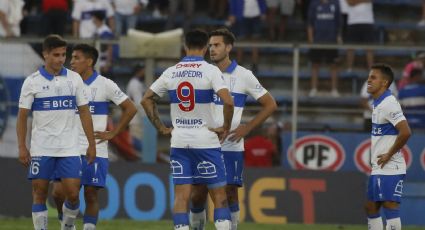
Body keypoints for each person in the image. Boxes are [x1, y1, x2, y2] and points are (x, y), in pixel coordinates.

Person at [141, 29, 234, 230]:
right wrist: (225, 127)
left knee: (182, 197)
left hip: (180, 141)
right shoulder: (210, 71)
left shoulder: (171, 71)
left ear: (185, 46)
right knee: (219, 196)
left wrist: (160, 127)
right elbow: (228, 102)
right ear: (205, 47)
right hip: (206, 141)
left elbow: (146, 99)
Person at [189, 28, 277, 230]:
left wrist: (247, 128)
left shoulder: (244, 75)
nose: (212, 49)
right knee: (198, 193)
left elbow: (270, 104)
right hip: (203, 142)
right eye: (210, 45)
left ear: (229, 47)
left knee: (229, 192)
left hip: (230, 144)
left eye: (217, 45)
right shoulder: (201, 72)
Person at [52, 44, 137, 230]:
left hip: (95, 148)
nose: (71, 61)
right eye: (71, 57)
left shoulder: (105, 84)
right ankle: (65, 222)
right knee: (59, 193)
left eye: (76, 58)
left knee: (90, 194)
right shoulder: (63, 83)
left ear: (89, 61)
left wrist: (114, 133)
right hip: (67, 147)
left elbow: (131, 108)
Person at [16, 35, 96, 230]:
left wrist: (91, 144)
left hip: (69, 147)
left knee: (74, 195)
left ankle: (67, 226)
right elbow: (22, 116)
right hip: (41, 147)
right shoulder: (32, 82)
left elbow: (84, 112)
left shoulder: (74, 79)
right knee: (40, 193)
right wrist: (22, 147)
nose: (61, 59)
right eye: (56, 55)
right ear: (45, 54)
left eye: (64, 54)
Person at [364, 63, 411, 230]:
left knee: (390, 207)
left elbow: (405, 132)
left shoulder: (388, 103)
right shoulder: (378, 103)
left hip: (389, 165)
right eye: (369, 77)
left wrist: (388, 154)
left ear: (384, 82)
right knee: (371, 206)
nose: (368, 80)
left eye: (373, 77)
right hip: (379, 166)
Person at [307, 0, 341, 97]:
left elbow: (339, 22)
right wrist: (310, 40)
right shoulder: (314, 3)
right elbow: (310, 23)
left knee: (334, 65)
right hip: (317, 40)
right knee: (315, 64)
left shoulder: (335, 3)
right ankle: (313, 88)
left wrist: (338, 37)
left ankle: (334, 89)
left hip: (332, 40)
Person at [345, 0, 374, 71]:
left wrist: (355, 1)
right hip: (353, 21)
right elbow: (349, 2)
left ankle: (371, 70)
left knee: (369, 48)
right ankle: (349, 69)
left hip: (367, 21)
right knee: (350, 47)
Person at [126, 62, 146, 155]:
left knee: (139, 142)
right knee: (137, 143)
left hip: (137, 118)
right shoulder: (134, 83)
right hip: (135, 118)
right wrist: (145, 116)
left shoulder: (137, 83)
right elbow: (138, 103)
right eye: (143, 70)